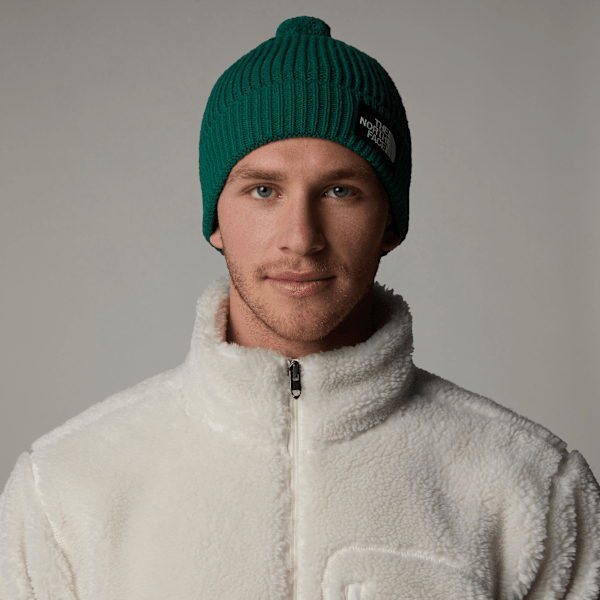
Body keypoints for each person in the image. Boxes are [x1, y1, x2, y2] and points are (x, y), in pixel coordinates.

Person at [1, 15, 598, 600]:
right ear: (216, 220)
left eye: (341, 191)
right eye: (263, 190)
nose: (301, 237)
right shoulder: (66, 491)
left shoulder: (532, 488)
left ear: (390, 223)